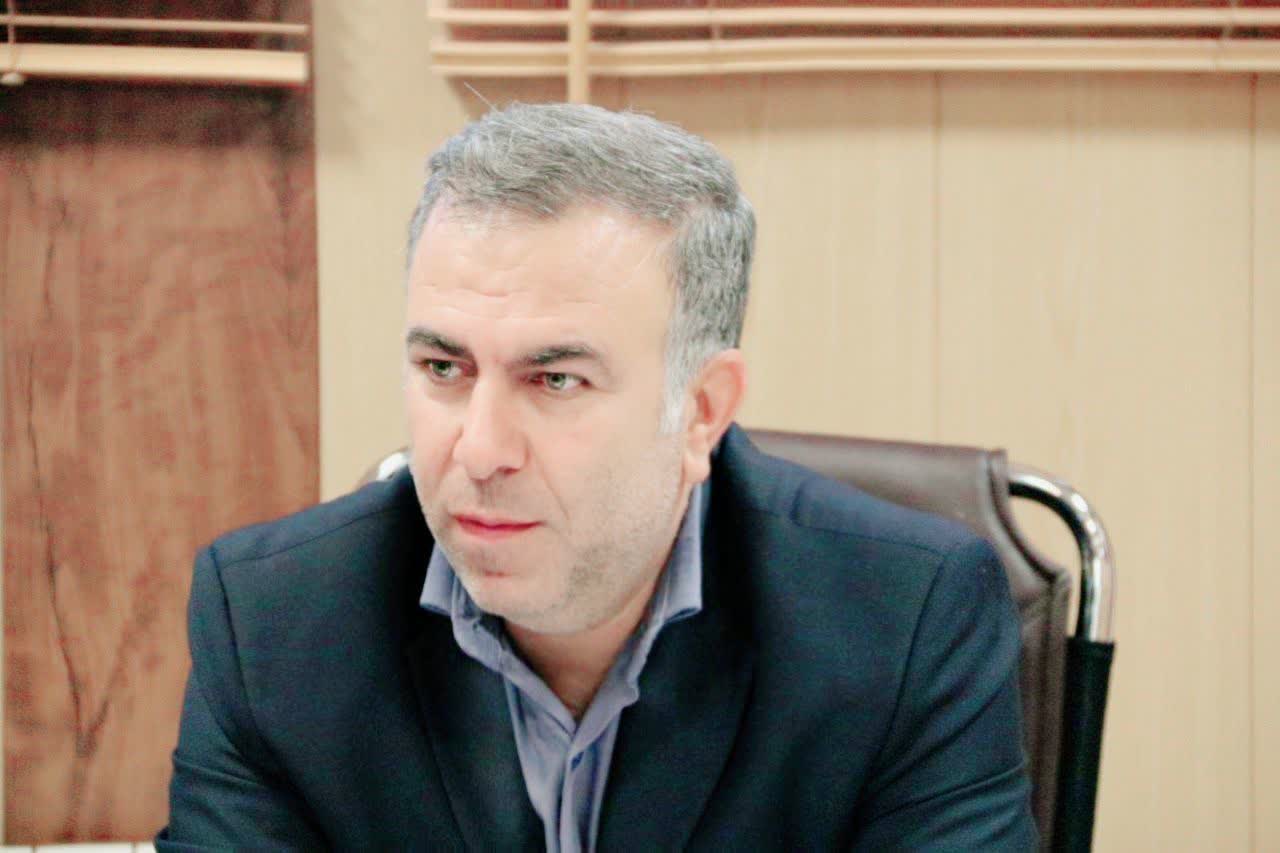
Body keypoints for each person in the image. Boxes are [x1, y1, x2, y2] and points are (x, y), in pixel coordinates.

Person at [159, 102, 1035, 851]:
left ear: (702, 410)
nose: (479, 450)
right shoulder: (271, 625)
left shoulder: (906, 625)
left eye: (555, 380)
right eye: (443, 368)